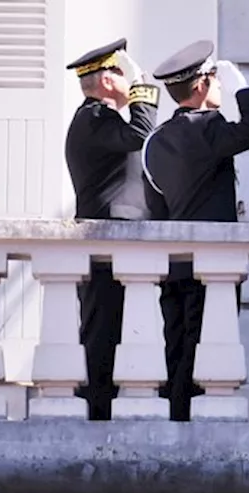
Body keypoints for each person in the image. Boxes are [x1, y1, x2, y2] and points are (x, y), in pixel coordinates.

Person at [142, 40, 249, 421]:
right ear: (199, 86)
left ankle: (175, 424)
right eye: (214, 78)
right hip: (211, 266)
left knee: (177, 352)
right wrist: (243, 87)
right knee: (209, 353)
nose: (219, 85)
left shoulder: (156, 140)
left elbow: (157, 209)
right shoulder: (207, 129)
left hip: (174, 268)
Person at [64, 38, 160, 420]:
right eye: (122, 73)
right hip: (105, 239)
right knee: (102, 332)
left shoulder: (99, 119)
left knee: (114, 329)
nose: (129, 80)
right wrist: (142, 86)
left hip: (115, 239)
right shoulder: (94, 118)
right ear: (107, 81)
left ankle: (102, 408)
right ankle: (96, 414)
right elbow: (140, 134)